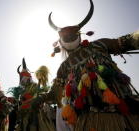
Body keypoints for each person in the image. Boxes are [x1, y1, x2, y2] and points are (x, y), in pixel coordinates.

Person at [31, 0, 139, 130]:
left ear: (79, 35)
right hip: (88, 120)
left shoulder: (99, 45)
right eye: (66, 36)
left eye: (72, 35)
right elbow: (55, 92)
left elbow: (126, 41)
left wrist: (135, 38)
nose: (69, 37)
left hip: (123, 114)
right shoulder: (64, 67)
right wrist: (39, 99)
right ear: (60, 41)